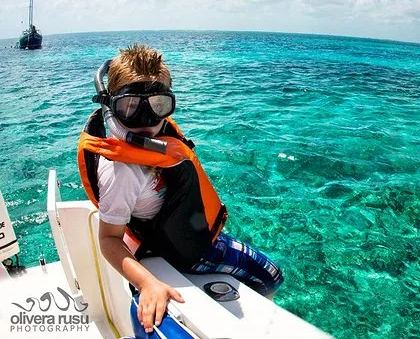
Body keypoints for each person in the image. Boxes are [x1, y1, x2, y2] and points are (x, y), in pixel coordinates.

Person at [77, 44, 283, 334]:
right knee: (272, 275)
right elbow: (109, 239)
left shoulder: (158, 140)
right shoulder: (121, 171)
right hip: (187, 252)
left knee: (270, 277)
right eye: (130, 107)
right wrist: (146, 282)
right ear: (111, 107)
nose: (146, 121)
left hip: (197, 236)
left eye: (157, 105)